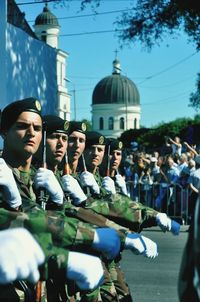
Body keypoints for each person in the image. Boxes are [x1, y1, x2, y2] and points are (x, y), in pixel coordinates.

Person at [0, 99, 124, 301]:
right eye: (22, 126)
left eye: (37, 128)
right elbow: (32, 225)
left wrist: (62, 202)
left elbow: (56, 219)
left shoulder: (38, 177)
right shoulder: (4, 174)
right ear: (4, 132)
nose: (32, 133)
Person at [33, 117, 159, 302]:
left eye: (79, 140)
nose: (71, 145)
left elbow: (104, 211)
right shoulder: (56, 176)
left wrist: (120, 196)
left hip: (90, 255)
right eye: (71, 139)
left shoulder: (76, 178)